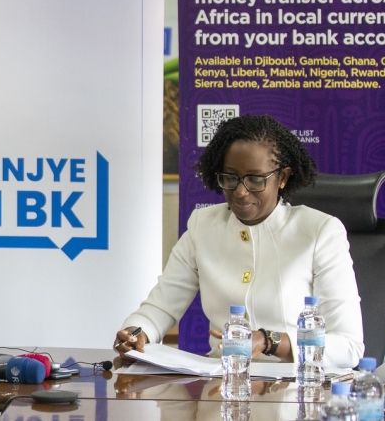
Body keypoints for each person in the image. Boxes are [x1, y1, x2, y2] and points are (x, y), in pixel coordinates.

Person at [114, 115, 363, 368]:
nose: (241, 191)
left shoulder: (320, 232)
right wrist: (136, 334)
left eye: (256, 179)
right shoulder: (203, 226)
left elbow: (348, 347)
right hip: (221, 386)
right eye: (231, 178)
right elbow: (161, 307)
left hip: (294, 391)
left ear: (283, 177)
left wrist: (269, 341)